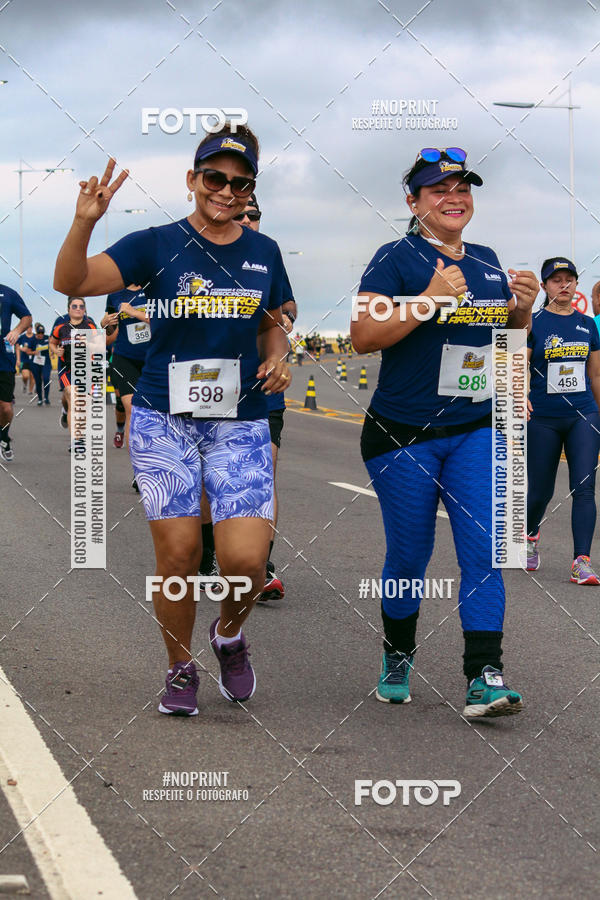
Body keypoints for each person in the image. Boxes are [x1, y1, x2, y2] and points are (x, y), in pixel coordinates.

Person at [54, 123, 291, 717]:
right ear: (192, 180)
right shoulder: (156, 244)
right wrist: (85, 219)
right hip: (166, 418)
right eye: (215, 177)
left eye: (241, 183)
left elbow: (274, 319)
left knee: (245, 560)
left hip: (240, 419)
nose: (227, 190)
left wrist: (277, 358)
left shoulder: (264, 252)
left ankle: (229, 637)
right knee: (180, 555)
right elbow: (70, 282)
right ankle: (179, 665)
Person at [351, 147, 539, 717]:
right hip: (403, 434)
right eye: (439, 189)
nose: (454, 197)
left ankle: (484, 675)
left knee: (486, 548)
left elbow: (496, 337)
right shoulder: (395, 259)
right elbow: (362, 334)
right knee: (411, 556)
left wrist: (521, 312)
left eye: (462, 188)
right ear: (413, 202)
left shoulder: (486, 260)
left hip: (476, 427)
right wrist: (428, 300)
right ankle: (398, 653)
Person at [526, 258, 600, 583]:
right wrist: (519, 397)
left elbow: (595, 374)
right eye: (557, 280)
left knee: (584, 488)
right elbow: (516, 366)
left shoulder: (588, 325)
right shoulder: (532, 322)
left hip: (583, 414)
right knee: (540, 492)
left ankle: (581, 561)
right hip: (543, 417)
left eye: (569, 279)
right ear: (544, 287)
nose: (564, 285)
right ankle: (529, 535)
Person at [49, 296, 108, 450]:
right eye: (74, 306)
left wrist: (87, 343)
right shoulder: (60, 326)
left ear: (85, 309)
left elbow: (100, 346)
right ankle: (77, 440)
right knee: (73, 396)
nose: (78, 309)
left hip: (86, 369)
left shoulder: (89, 326)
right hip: (66, 368)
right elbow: (52, 342)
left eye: (81, 306)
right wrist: (57, 350)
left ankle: (66, 412)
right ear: (68, 309)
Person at [101, 284, 149, 448]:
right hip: (125, 357)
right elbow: (109, 331)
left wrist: (134, 312)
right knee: (132, 409)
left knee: (154, 412)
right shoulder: (115, 294)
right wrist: (105, 323)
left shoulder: (155, 287)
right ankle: (136, 468)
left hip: (153, 358)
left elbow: (164, 319)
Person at [0, 284, 32, 461]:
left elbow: (27, 317)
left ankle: (4, 437)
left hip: (4, 357)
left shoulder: (8, 293)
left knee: (5, 407)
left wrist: (17, 330)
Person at [32, 323, 52, 406]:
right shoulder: (33, 340)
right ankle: (40, 398)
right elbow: (27, 351)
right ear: (36, 332)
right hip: (36, 363)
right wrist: (34, 352)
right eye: (39, 333)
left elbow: (53, 345)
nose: (41, 335)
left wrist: (53, 352)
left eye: (42, 333)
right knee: (38, 381)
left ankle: (46, 397)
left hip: (46, 362)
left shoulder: (47, 338)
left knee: (46, 379)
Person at [16, 324, 36, 395]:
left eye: (30, 328)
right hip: (24, 359)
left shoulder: (35, 337)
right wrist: (18, 359)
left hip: (34, 359)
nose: (29, 329)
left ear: (32, 328)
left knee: (33, 376)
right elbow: (17, 346)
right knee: (25, 376)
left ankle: (30, 390)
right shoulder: (22, 337)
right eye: (27, 328)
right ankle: (25, 384)